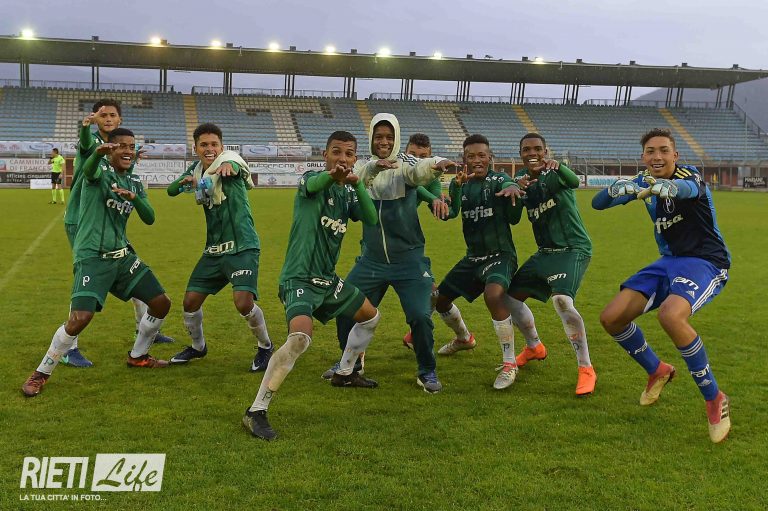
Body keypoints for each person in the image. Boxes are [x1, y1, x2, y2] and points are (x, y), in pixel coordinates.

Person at [592, 128, 731, 443]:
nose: (657, 156)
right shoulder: (643, 180)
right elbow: (598, 204)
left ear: (675, 155)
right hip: (668, 262)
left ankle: (714, 398)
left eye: (664, 150)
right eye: (651, 151)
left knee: (670, 315)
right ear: (643, 157)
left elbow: (687, 188)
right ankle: (657, 370)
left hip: (705, 261)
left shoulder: (689, 175)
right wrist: (616, 189)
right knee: (611, 318)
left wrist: (667, 187)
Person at [243, 131, 380, 440]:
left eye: (348, 153)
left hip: (327, 280)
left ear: (355, 158)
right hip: (300, 277)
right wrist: (333, 176)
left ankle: (345, 372)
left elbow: (371, 218)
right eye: (336, 152)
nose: (342, 158)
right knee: (300, 338)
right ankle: (256, 410)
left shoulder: (347, 194)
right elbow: (317, 183)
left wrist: (358, 185)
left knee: (371, 317)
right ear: (325, 155)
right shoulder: (311, 180)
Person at [21, 129, 171, 397]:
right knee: (80, 318)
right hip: (93, 257)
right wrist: (96, 155)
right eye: (121, 146)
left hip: (122, 257)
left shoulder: (134, 182)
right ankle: (41, 373)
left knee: (161, 303)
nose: (127, 150)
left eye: (131, 146)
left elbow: (150, 218)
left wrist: (135, 199)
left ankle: (138, 355)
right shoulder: (99, 175)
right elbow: (89, 171)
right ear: (110, 150)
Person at [326, 113, 456, 393]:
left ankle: (427, 370)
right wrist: (372, 167)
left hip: (408, 260)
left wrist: (438, 164)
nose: (383, 141)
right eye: (378, 137)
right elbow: (354, 179)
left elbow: (420, 170)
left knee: (420, 316)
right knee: (345, 309)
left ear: (396, 138)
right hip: (371, 260)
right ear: (371, 138)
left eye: (389, 137)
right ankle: (350, 364)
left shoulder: (405, 164)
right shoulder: (363, 167)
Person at [60, 99, 173, 369]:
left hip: (108, 222)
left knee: (130, 265)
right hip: (83, 220)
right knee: (85, 278)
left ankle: (144, 329)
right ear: (95, 119)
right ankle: (68, 348)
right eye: (103, 115)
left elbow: (118, 177)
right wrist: (85, 128)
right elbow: (90, 159)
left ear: (120, 120)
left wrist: (131, 162)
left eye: (112, 115)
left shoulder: (122, 145)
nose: (108, 119)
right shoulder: (94, 142)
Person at [497, 133, 597, 396]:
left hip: (573, 248)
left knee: (562, 300)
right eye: (527, 149)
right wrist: (515, 189)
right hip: (545, 252)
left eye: (538, 149)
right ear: (520, 154)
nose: (533, 153)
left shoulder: (554, 171)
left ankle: (586, 368)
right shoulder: (522, 178)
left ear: (545, 151)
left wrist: (559, 166)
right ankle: (534, 347)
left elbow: (573, 181)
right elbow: (514, 218)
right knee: (508, 299)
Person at [167, 123, 273, 371]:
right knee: (190, 302)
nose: (210, 149)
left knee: (243, 303)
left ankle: (266, 346)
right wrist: (185, 181)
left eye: (214, 144)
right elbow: (171, 191)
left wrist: (229, 167)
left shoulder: (228, 160)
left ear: (222, 146)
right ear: (195, 148)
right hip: (214, 251)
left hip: (242, 246)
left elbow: (235, 165)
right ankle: (198, 347)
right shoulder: (197, 170)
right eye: (204, 144)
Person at [431, 134, 527, 390]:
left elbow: (514, 215)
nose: (477, 160)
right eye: (471, 156)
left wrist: (514, 191)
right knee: (440, 300)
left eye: (482, 155)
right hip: (473, 258)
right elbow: (451, 213)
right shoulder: (461, 185)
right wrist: (437, 203)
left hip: (500, 255)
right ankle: (464, 338)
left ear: (490, 157)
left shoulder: (499, 180)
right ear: (464, 159)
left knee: (493, 295)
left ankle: (509, 363)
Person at [401, 133, 448, 350]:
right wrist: (433, 198)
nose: (417, 160)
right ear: (404, 153)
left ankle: (464, 336)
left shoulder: (431, 176)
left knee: (433, 293)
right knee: (365, 301)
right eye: (412, 154)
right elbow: (415, 185)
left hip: (407, 244)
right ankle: (354, 354)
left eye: (423, 156)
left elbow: (440, 202)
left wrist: (450, 198)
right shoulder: (397, 167)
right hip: (379, 242)